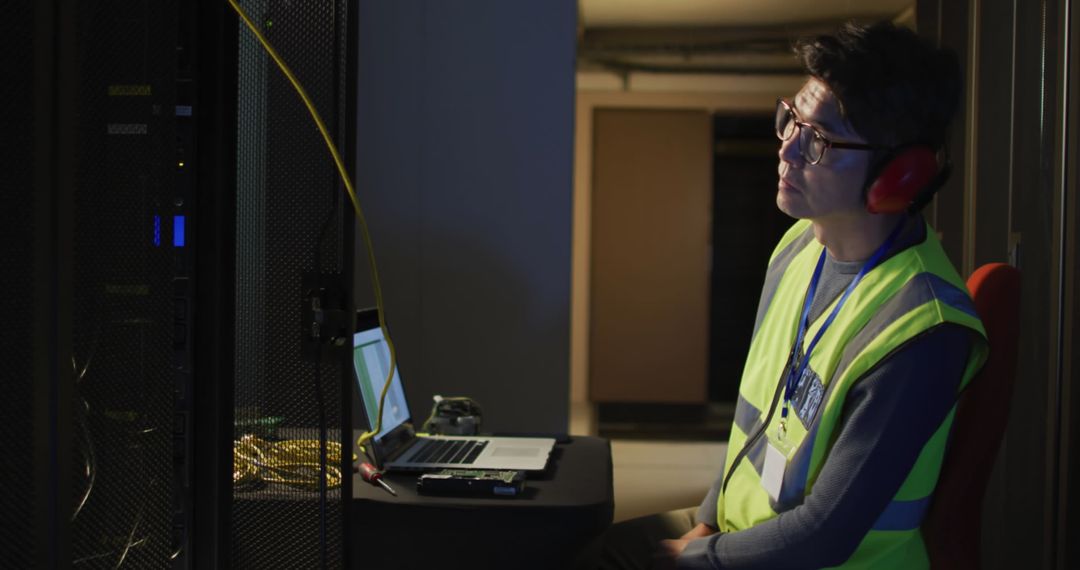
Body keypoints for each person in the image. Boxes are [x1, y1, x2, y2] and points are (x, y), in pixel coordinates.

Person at [578, 21, 988, 570]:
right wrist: (708, 518)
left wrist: (694, 558)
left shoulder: (921, 331)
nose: (787, 149)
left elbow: (825, 533)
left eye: (817, 139)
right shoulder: (800, 247)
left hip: (823, 562)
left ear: (898, 174)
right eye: (791, 119)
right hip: (744, 534)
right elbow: (757, 426)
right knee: (573, 543)